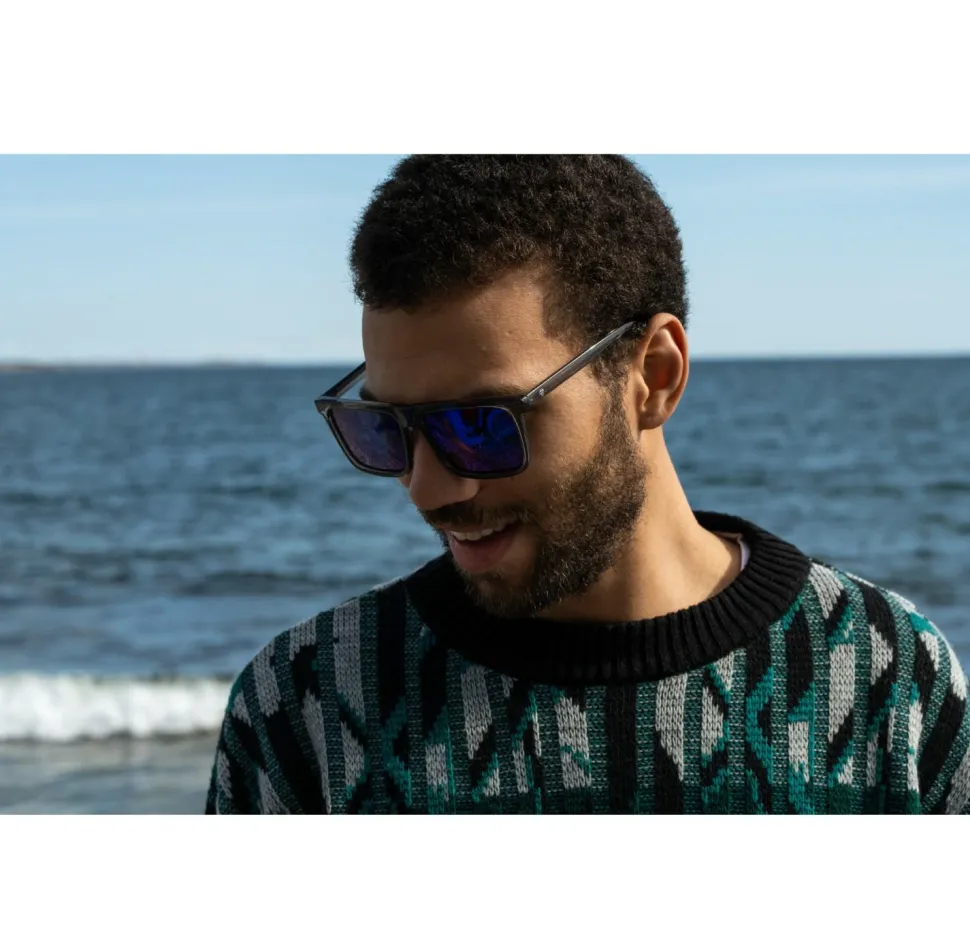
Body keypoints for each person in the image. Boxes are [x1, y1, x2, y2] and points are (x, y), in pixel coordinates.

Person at [205, 154, 969, 814]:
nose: (428, 489)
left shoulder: (887, 675)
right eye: (386, 428)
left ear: (654, 375)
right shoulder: (303, 706)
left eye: (482, 425)